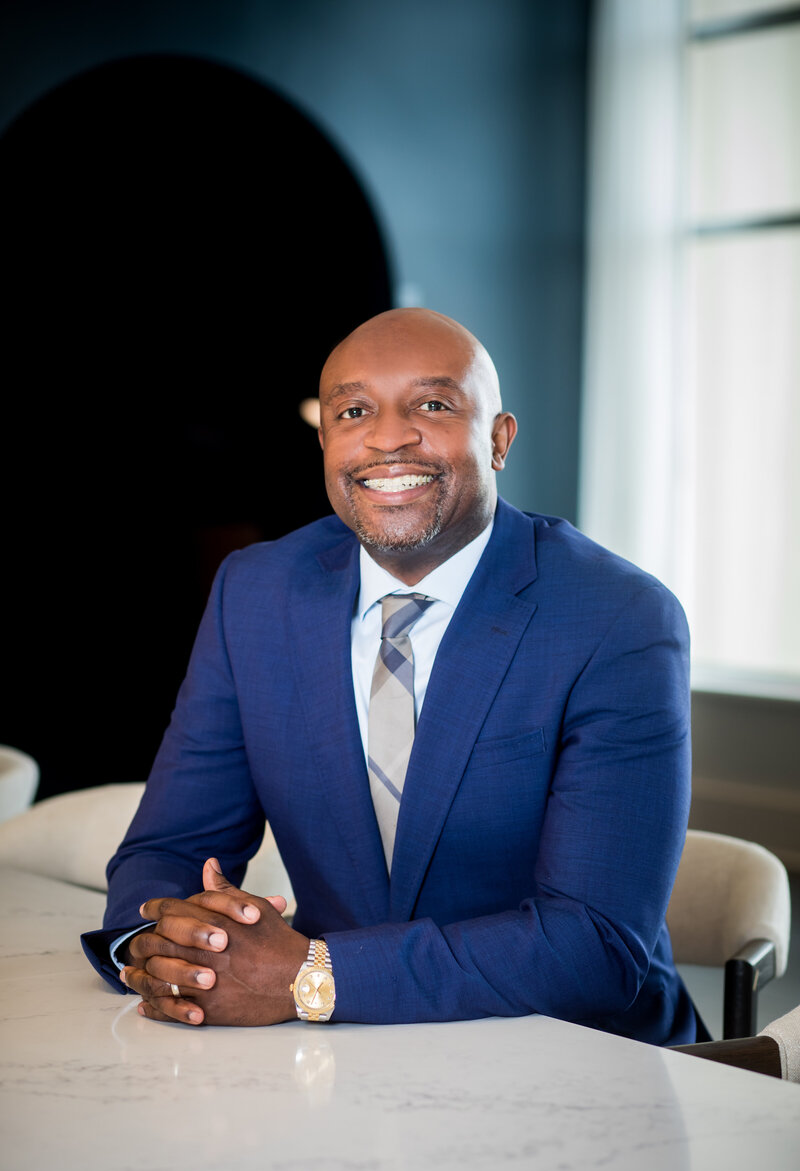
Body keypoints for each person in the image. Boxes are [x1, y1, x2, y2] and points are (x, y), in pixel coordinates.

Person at [82, 307, 702, 1043]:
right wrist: (172, 952)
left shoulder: (617, 617)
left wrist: (310, 977)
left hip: (575, 1054)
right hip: (332, 1059)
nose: (387, 438)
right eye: (353, 412)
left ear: (499, 439)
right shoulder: (256, 592)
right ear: (324, 442)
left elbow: (593, 944)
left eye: (432, 405)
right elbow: (170, 850)